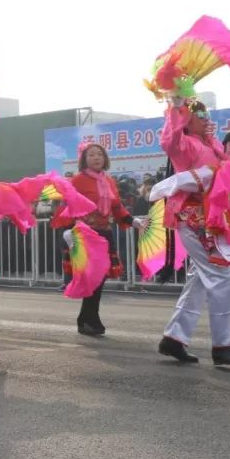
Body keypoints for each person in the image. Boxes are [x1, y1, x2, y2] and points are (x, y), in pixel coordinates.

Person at [156, 98, 230, 365]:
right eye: (199, 113)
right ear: (187, 118)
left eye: (207, 113)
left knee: (200, 279)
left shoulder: (211, 144)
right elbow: (169, 142)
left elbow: (227, 175)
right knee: (222, 274)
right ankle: (224, 345)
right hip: (193, 217)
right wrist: (175, 108)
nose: (206, 117)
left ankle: (174, 338)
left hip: (209, 218)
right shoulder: (185, 144)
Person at [54, 143, 143, 336]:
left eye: (100, 154)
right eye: (92, 155)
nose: (96, 158)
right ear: (84, 159)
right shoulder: (77, 180)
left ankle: (87, 318)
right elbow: (66, 205)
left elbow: (117, 206)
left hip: (104, 233)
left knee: (99, 279)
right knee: (92, 278)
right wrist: (68, 229)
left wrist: (131, 220)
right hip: (86, 234)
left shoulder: (108, 181)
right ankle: (88, 319)